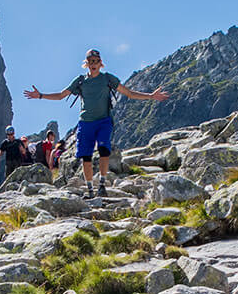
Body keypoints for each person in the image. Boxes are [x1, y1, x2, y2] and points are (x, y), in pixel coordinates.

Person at [24, 48, 169, 198]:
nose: (93, 64)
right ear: (86, 64)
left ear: (100, 64)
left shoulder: (107, 79)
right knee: (86, 156)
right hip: (85, 123)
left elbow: (129, 93)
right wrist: (40, 95)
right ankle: (90, 190)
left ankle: (101, 185)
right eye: (90, 61)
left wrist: (151, 96)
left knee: (104, 150)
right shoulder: (80, 81)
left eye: (96, 61)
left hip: (103, 121)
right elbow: (61, 95)